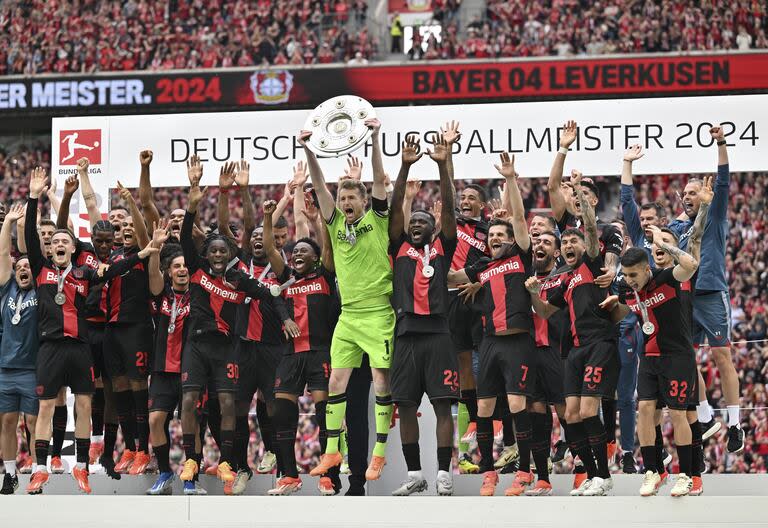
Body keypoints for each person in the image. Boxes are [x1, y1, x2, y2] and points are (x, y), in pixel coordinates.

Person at [23, 167, 157, 495]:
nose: (58, 244)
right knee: (46, 406)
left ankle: (81, 466)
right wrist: (33, 197)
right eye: (54, 241)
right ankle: (39, 468)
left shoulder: (85, 272)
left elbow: (116, 269)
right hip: (51, 347)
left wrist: (142, 253)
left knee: (87, 402)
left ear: (72, 248)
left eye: (64, 241)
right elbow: (30, 234)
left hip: (82, 345)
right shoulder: (40, 269)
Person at [177, 156, 292, 495]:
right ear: (205, 253)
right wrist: (194, 201)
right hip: (198, 345)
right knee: (190, 402)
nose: (215, 254)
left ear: (228, 254)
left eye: (221, 251)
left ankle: (229, 460)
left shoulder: (239, 277)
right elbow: (189, 235)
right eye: (210, 250)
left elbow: (267, 289)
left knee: (232, 406)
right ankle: (191, 459)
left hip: (230, 346)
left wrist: (280, 292)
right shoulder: (196, 271)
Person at [303, 118, 395, 482]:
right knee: (336, 382)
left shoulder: (378, 219)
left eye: (351, 198)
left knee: (381, 382)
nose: (344, 202)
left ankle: (379, 454)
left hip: (378, 313)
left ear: (363, 200)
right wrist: (309, 149)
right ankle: (329, 453)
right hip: (349, 316)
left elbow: (376, 178)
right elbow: (319, 185)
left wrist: (374, 138)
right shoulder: (336, 225)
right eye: (341, 199)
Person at [449, 153, 540, 496]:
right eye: (493, 236)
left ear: (512, 239)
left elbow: (518, 217)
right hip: (489, 343)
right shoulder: (482, 268)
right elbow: (452, 275)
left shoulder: (521, 256)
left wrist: (512, 179)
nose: (496, 239)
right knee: (484, 408)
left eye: (502, 235)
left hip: (517, 342)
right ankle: (488, 472)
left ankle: (525, 472)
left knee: (517, 406)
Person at [526, 170, 618, 497]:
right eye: (563, 242)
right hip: (574, 352)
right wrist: (534, 292)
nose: (567, 245)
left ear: (584, 244)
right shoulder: (565, 278)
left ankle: (604, 476)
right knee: (573, 415)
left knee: (589, 411)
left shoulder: (592, 263)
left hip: (598, 346)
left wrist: (577, 192)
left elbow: (591, 228)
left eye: (571, 240)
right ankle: (592, 475)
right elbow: (544, 311)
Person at [603, 226, 701, 497]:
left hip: (678, 356)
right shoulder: (625, 288)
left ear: (647, 269)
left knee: (678, 413)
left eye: (635, 274)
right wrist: (613, 306)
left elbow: (691, 263)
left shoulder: (667, 278)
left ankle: (686, 475)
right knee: (645, 410)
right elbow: (627, 308)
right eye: (627, 275)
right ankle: (652, 471)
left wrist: (660, 242)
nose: (630, 280)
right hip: (649, 356)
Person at [388, 133, 458, 496]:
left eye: (421, 222)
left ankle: (444, 472)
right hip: (406, 335)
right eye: (411, 221)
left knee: (444, 405)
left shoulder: (443, 248)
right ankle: (415, 473)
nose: (415, 225)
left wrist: (443, 165)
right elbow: (396, 202)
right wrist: (404, 166)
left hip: (438, 335)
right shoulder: (398, 245)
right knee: (405, 405)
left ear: (432, 227)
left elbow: (449, 207)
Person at [261, 199, 340, 496]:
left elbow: (329, 246)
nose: (296, 255)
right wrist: (268, 218)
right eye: (294, 252)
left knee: (324, 417)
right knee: (282, 415)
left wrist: (318, 220)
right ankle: (290, 476)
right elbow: (270, 248)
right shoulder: (286, 279)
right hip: (290, 354)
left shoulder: (325, 275)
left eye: (303, 251)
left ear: (316, 258)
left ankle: (328, 476)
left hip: (320, 353)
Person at [105, 177, 154, 475]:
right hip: (113, 330)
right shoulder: (111, 258)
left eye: (130, 229)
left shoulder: (146, 256)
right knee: (119, 388)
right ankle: (130, 447)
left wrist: (131, 202)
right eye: (122, 230)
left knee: (138, 389)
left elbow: (144, 232)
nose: (126, 232)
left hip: (137, 329)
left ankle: (143, 451)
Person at [145, 227, 192, 495]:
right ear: (169, 271)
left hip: (189, 369)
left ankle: (190, 476)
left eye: (185, 265)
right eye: (176, 266)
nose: (182, 269)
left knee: (190, 424)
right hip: (162, 368)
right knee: (155, 421)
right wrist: (154, 246)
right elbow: (153, 275)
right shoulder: (162, 295)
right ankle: (165, 472)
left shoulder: (197, 295)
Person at [0, 204, 39, 494]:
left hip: (33, 368)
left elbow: (34, 249)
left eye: (27, 267)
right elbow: (3, 254)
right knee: (7, 422)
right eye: (19, 268)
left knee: (33, 422)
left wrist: (27, 225)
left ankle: (38, 472)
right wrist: (9, 223)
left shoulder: (42, 290)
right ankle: (10, 474)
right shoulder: (7, 289)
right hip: (5, 368)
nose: (23, 269)